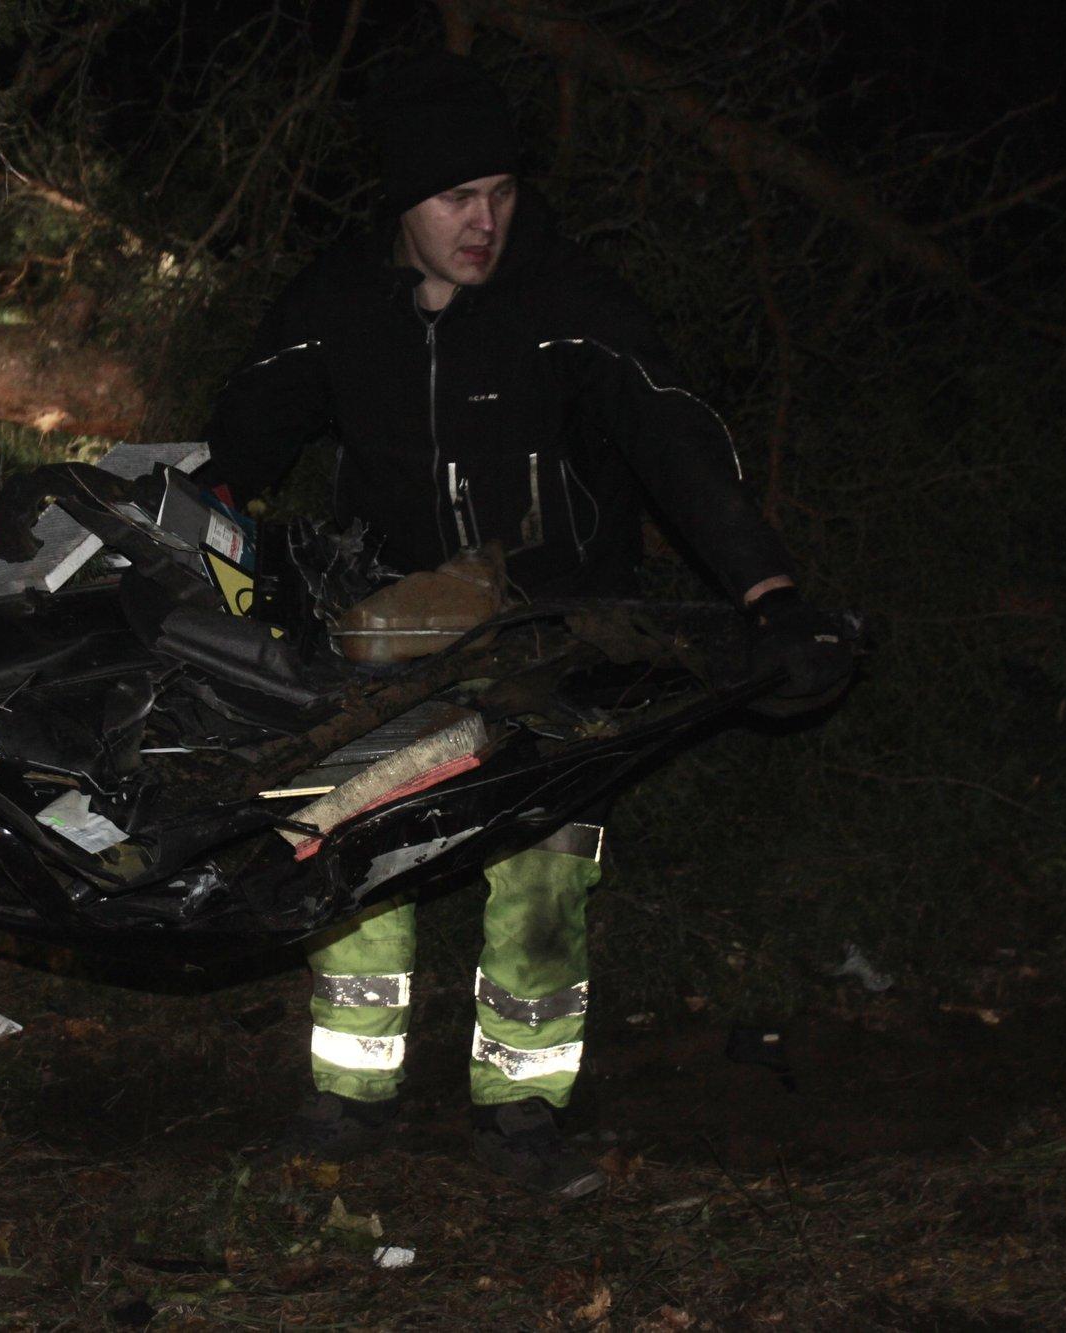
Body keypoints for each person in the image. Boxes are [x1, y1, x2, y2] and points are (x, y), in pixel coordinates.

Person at [202, 53, 852, 1199]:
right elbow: (233, 459)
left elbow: (676, 447)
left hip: (560, 638)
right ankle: (348, 1098)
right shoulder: (335, 306)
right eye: (454, 199)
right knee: (355, 853)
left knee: (544, 879)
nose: (483, 222)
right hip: (388, 637)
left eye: (498, 193)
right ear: (400, 203)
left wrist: (768, 595)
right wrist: (185, 546)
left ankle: (522, 1109)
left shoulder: (570, 303)